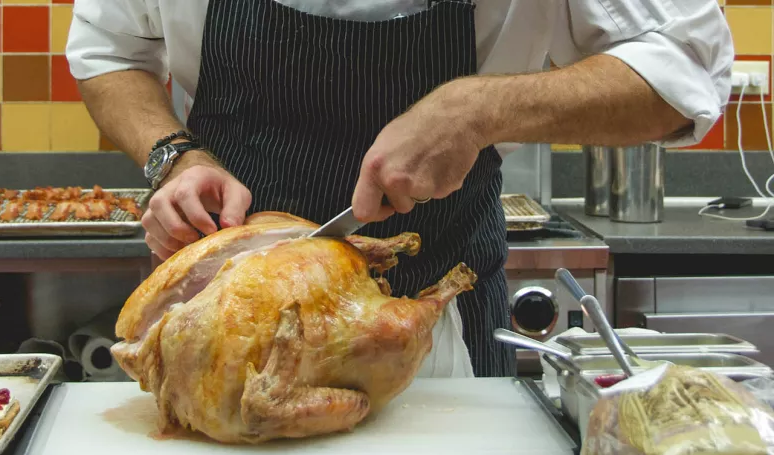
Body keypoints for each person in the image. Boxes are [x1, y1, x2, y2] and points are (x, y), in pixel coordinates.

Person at [66, 1, 733, 378]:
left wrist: (481, 108)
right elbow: (111, 49)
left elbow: (683, 75)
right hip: (220, 339)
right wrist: (175, 156)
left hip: (436, 336)